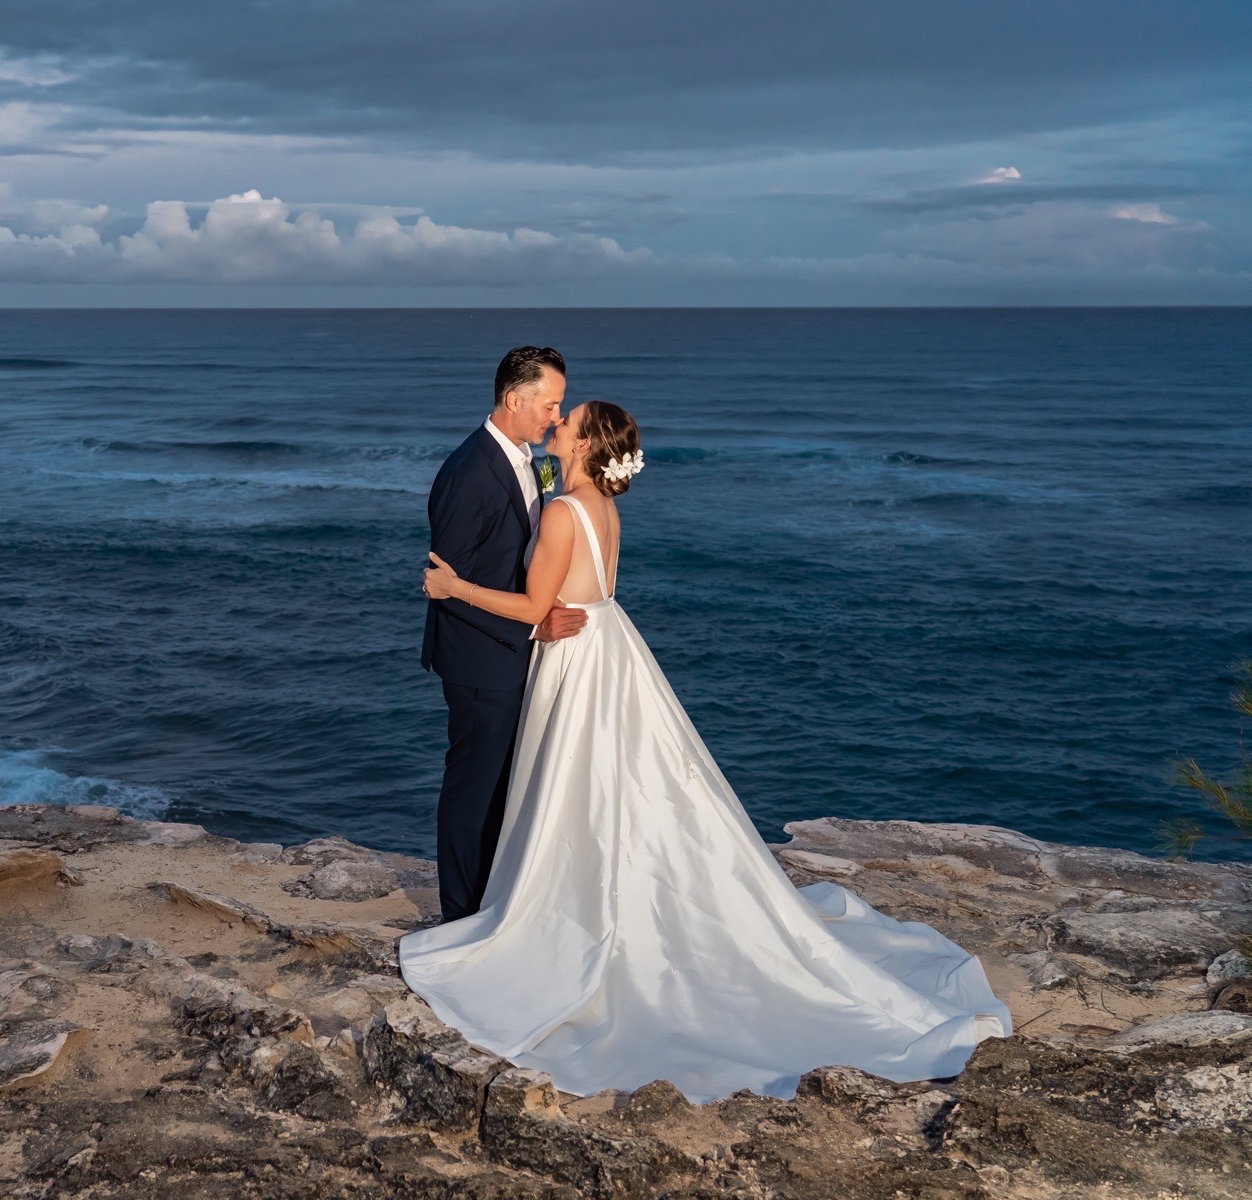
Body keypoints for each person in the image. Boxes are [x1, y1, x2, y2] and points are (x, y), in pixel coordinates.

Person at [401, 399, 1012, 1103]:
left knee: (579, 788)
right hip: (609, 648)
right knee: (619, 784)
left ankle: (577, 914)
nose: (559, 420)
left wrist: (453, 588)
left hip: (575, 663)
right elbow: (580, 592)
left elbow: (536, 609)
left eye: (569, 421)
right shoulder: (598, 507)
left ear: (589, 444)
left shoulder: (567, 512)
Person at [421, 346, 587, 924]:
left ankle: (495, 902)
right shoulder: (468, 474)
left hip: (516, 649)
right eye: (550, 405)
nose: (556, 419)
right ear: (515, 399)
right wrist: (534, 620)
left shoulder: (530, 459)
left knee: (505, 786)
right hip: (480, 660)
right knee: (475, 789)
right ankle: (459, 915)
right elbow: (447, 582)